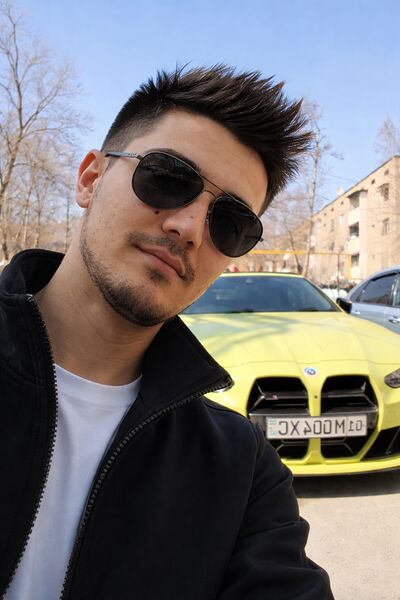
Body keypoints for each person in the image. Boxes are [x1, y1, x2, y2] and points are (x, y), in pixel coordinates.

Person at [0, 65, 334, 599]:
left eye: (229, 223)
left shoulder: (241, 470)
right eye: (169, 178)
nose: (189, 228)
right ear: (90, 178)